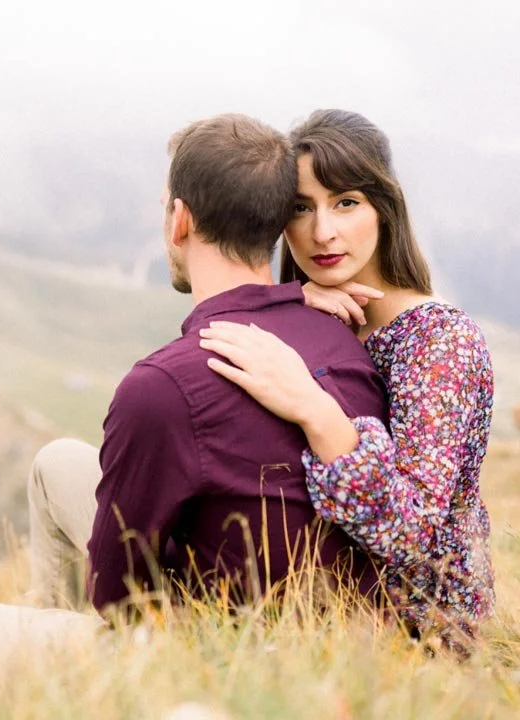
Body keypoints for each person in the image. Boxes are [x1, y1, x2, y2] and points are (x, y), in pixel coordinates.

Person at [0, 114, 389, 719]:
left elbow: (115, 593)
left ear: (180, 219)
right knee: (55, 464)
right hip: (307, 635)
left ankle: (60, 685)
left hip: (198, 656)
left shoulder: (164, 385)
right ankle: (35, 668)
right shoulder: (342, 335)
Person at [198, 109, 495, 653]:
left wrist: (314, 407)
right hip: (292, 599)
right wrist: (288, 302)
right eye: (300, 208)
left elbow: (410, 533)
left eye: (346, 203)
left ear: (384, 209)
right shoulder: (316, 313)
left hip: (414, 640)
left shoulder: (437, 342)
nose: (322, 232)